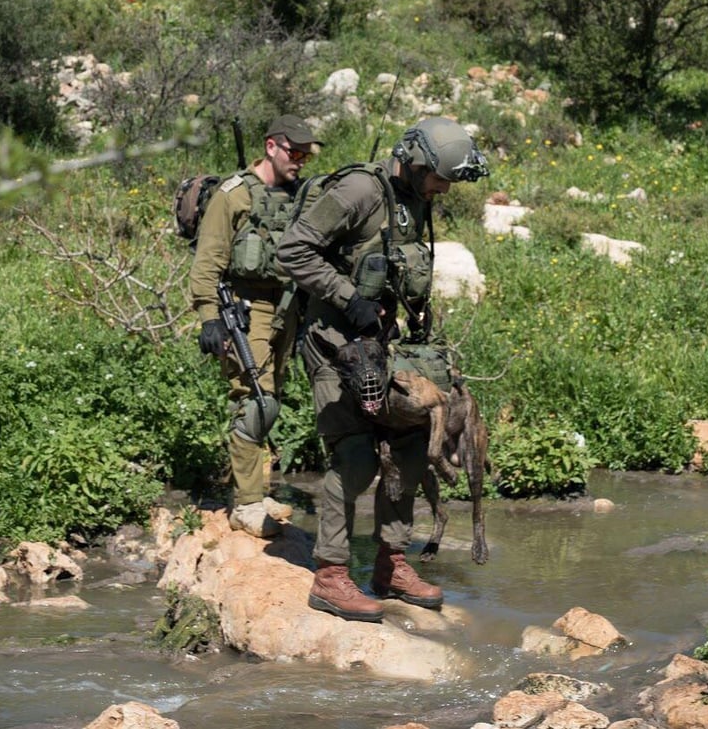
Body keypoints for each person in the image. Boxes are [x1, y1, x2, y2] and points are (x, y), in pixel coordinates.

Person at [276, 116, 489, 622]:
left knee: (409, 449)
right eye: (439, 178)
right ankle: (330, 576)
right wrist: (347, 299)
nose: (443, 189)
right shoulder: (357, 192)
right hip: (335, 347)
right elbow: (293, 251)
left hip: (384, 346)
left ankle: (391, 564)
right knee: (354, 458)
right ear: (413, 162)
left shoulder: (415, 199)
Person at [189, 114, 323, 537]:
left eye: (306, 154)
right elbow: (207, 262)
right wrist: (210, 318)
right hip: (246, 307)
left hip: (288, 307)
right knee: (255, 401)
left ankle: (254, 490)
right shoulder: (233, 195)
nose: (300, 161)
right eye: (294, 152)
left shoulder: (299, 194)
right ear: (271, 146)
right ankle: (246, 505)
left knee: (273, 398)